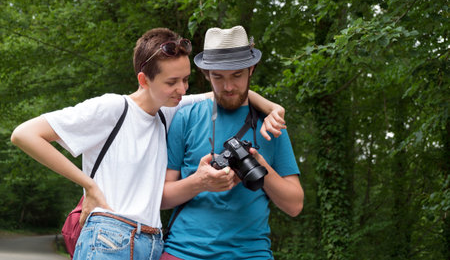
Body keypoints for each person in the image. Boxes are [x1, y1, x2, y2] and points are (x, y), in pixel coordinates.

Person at [10, 27, 286, 260]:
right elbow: (25, 134)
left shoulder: (165, 112)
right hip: (109, 237)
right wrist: (89, 185)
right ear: (144, 80)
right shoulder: (112, 108)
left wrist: (274, 108)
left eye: (186, 79)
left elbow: (223, 92)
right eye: (172, 82)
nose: (183, 89)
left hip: (151, 242)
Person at [160, 25, 304, 260]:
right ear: (207, 74)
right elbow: (161, 198)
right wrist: (199, 182)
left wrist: (258, 164)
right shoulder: (186, 117)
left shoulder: (271, 125)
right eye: (218, 77)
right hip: (183, 252)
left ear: (251, 69)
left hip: (250, 254)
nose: (228, 87)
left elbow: (295, 205)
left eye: (237, 75)